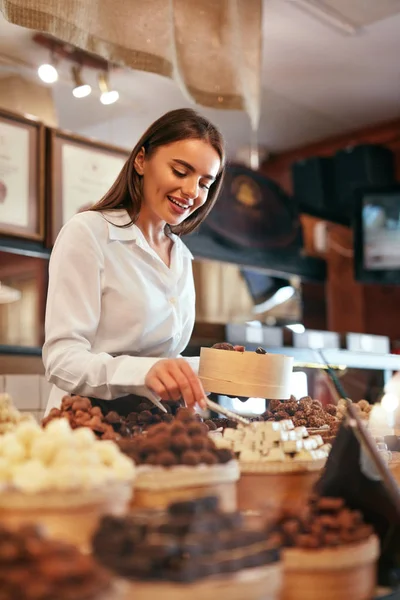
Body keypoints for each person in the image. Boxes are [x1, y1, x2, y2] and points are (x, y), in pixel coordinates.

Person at [43, 108, 225, 416]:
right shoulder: (88, 233)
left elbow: (167, 358)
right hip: (87, 427)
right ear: (141, 160)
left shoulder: (180, 255)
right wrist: (142, 373)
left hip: (152, 426)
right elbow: (62, 360)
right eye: (181, 172)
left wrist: (225, 372)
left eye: (205, 183)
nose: (193, 192)